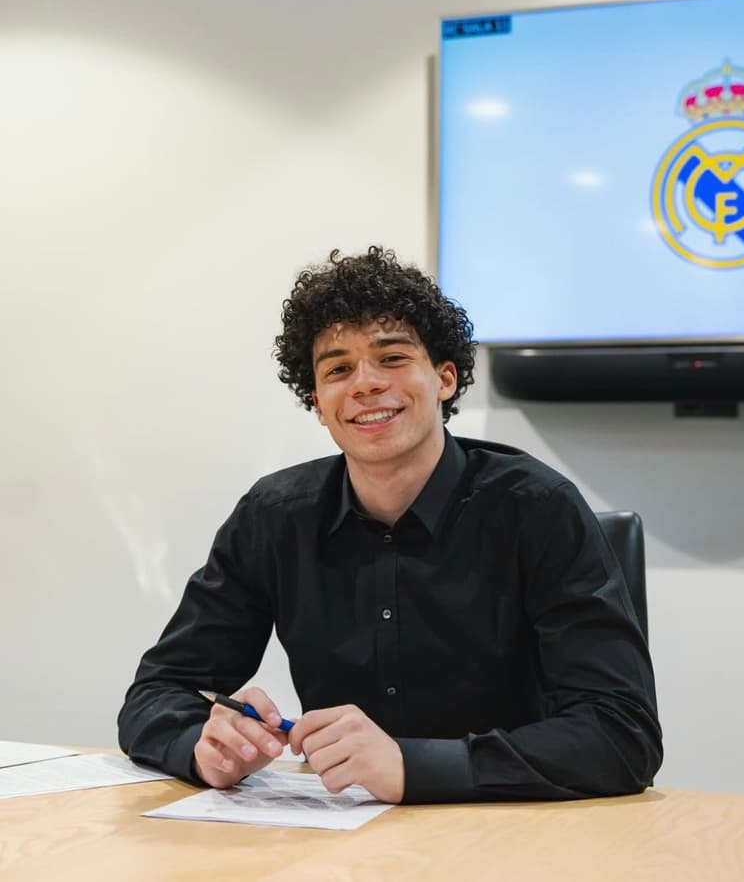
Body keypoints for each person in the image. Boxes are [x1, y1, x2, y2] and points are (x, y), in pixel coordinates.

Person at [118, 246, 662, 804]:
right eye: (337, 369)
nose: (365, 383)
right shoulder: (275, 516)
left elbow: (621, 734)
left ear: (445, 379)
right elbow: (156, 694)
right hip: (340, 840)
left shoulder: (538, 507)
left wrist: (414, 765)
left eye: (393, 358)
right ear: (319, 404)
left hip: (516, 831)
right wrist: (203, 746)